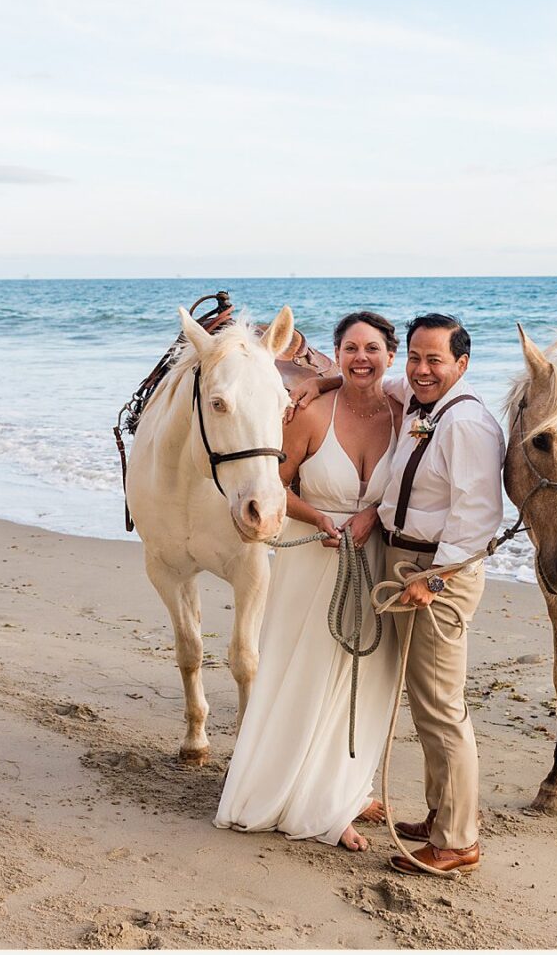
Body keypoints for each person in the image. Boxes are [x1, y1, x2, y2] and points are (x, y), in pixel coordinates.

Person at [291, 314, 505, 876]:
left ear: (462, 363)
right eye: (414, 357)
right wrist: (321, 381)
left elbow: (478, 518)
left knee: (441, 706)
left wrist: (432, 580)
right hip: (406, 560)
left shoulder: (468, 423)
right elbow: (372, 378)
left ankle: (457, 841)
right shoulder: (418, 398)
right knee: (425, 698)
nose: (421, 369)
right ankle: (440, 817)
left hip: (436, 574)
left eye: (435, 360)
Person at [213, 312, 403, 852]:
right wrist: (320, 518)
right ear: (335, 354)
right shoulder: (312, 412)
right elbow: (276, 485)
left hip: (374, 559)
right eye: (350, 349)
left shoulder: (403, 411)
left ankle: (344, 790)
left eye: (372, 348)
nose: (361, 358)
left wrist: (372, 517)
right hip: (314, 557)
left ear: (390, 356)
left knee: (364, 681)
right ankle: (303, 799)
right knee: (304, 675)